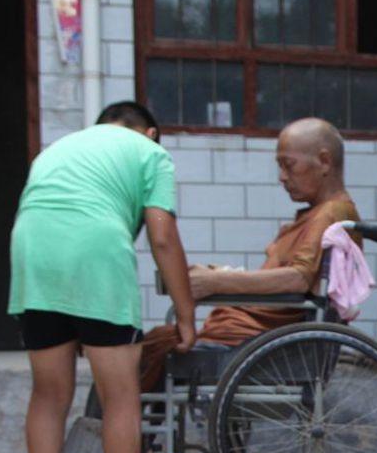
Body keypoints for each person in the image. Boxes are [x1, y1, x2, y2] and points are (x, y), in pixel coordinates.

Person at [8, 100, 196, 453]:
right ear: (149, 133)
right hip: (96, 254)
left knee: (49, 392)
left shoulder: (59, 149)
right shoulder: (151, 152)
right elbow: (162, 237)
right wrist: (185, 314)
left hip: (32, 252)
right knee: (120, 397)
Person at [138, 117, 360, 391]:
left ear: (324, 161)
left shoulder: (331, 213)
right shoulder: (319, 212)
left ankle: (119, 428)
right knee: (152, 343)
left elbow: (299, 278)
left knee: (143, 350)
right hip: (252, 328)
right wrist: (216, 274)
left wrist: (215, 283)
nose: (281, 177)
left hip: (258, 338)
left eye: (288, 165)